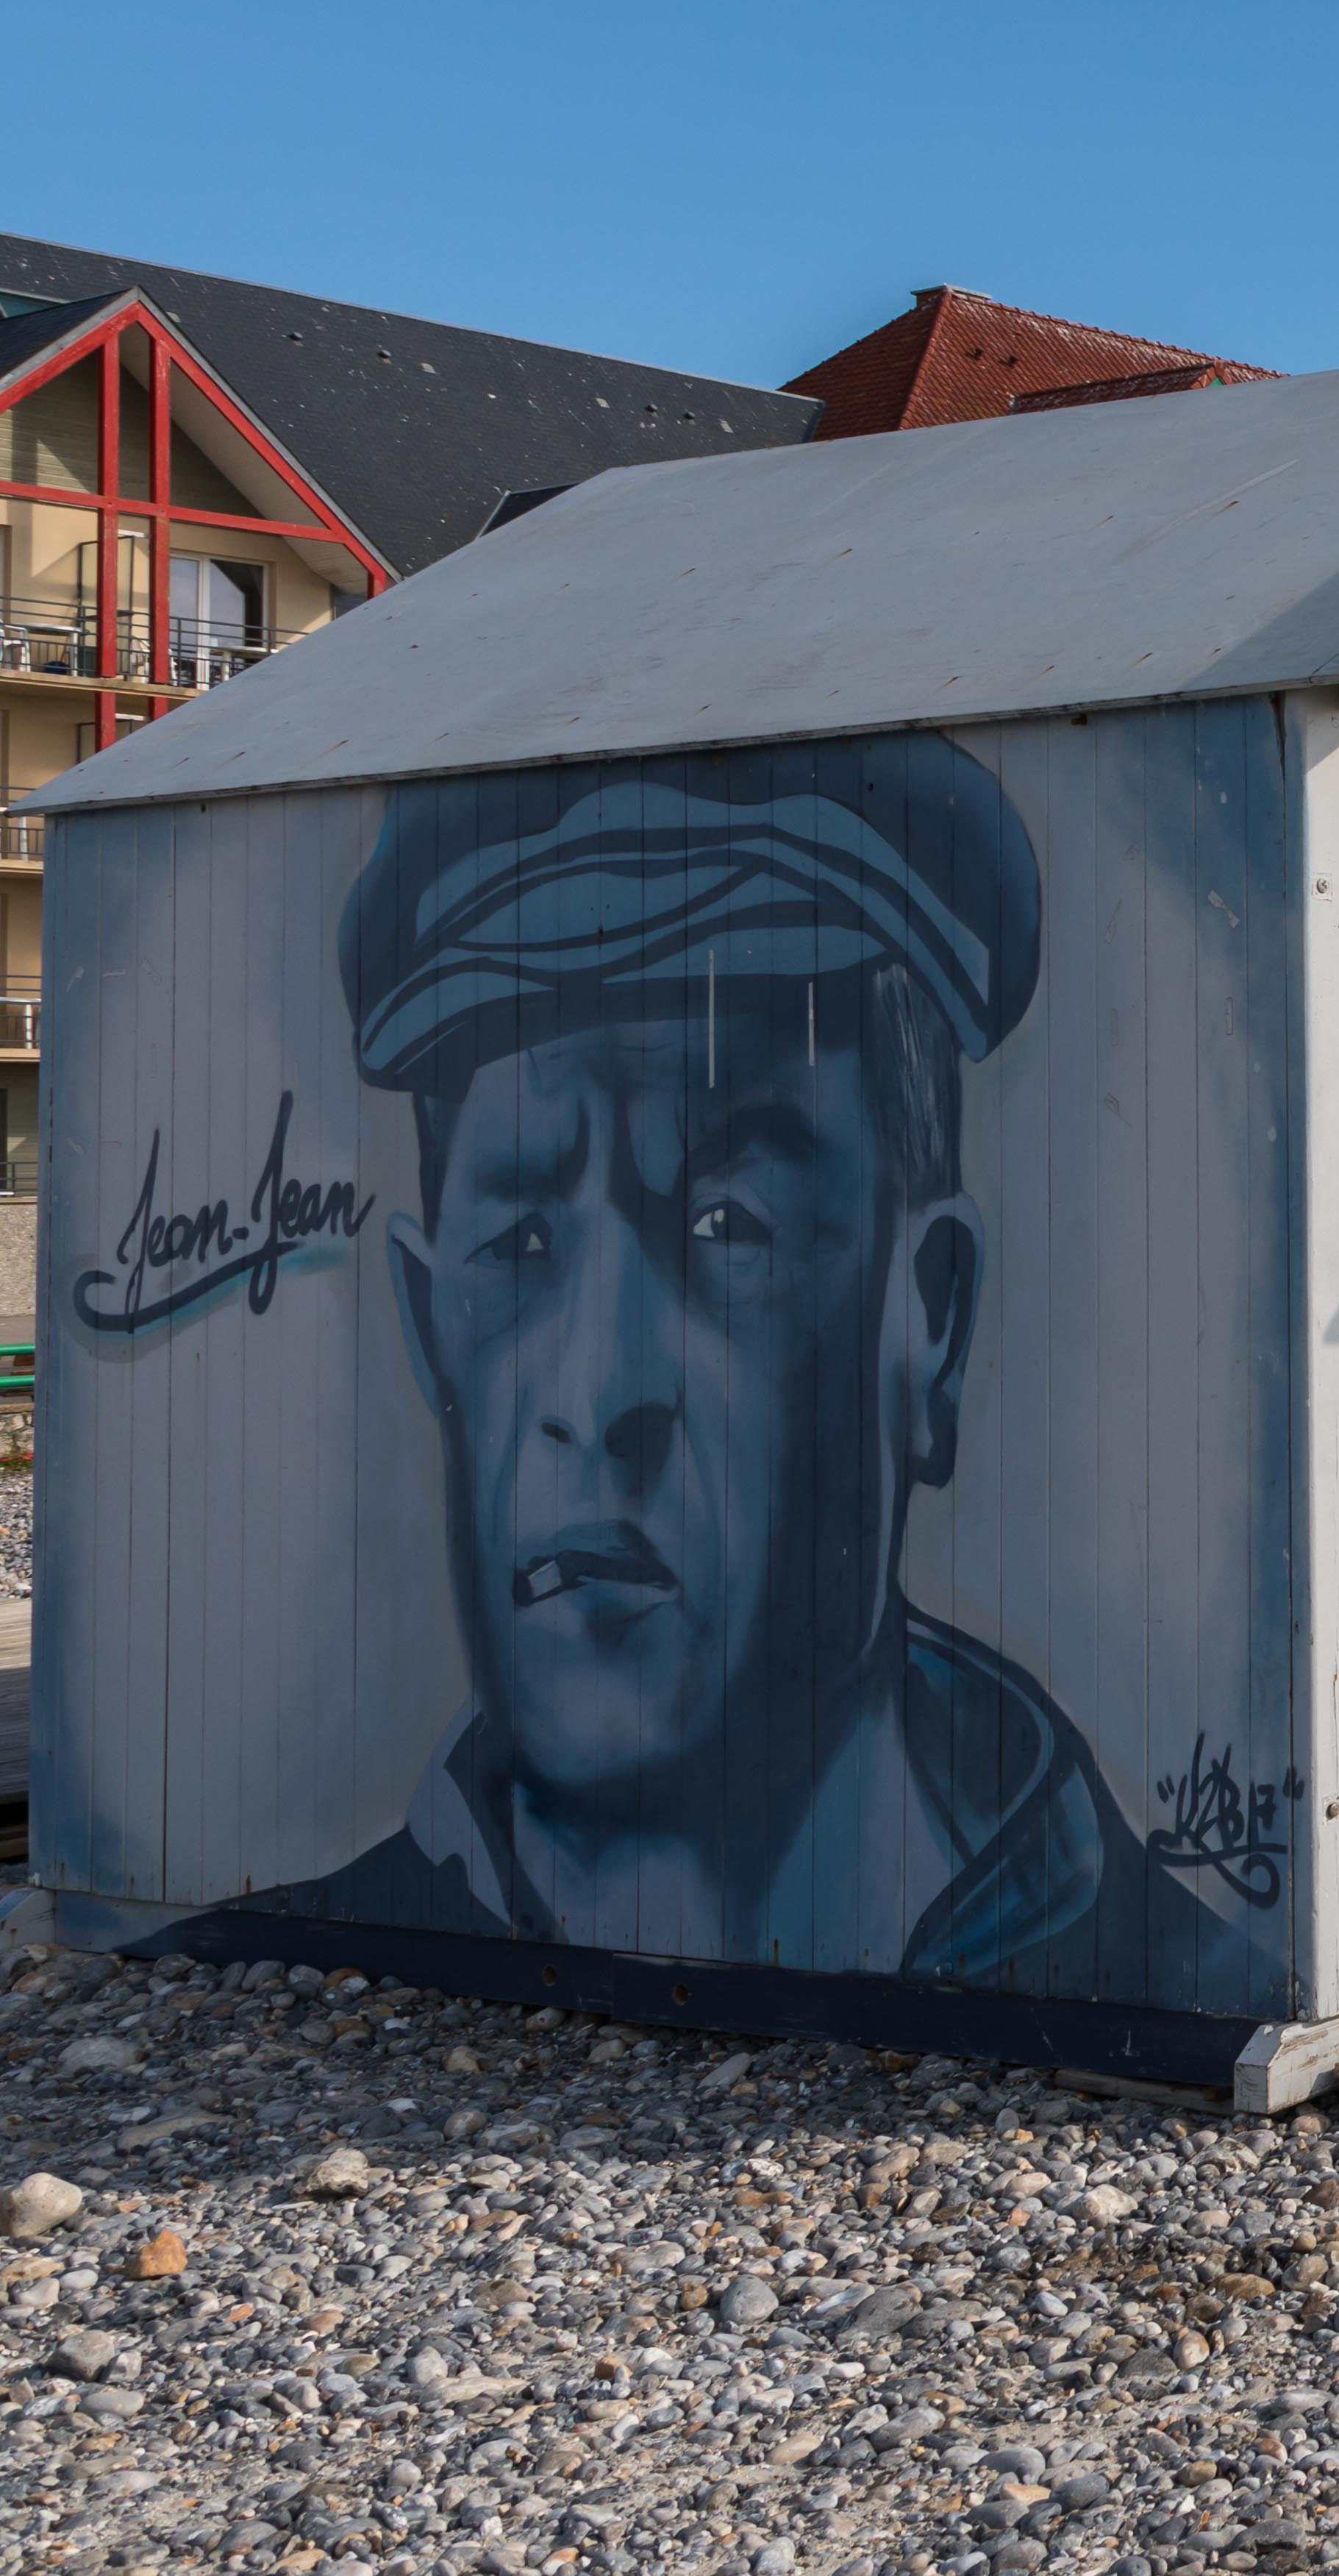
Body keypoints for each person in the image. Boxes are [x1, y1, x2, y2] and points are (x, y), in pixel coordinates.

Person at [262, 736, 1274, 2008]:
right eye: (519, 1242)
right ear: (428, 1329)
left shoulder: (1190, 1975)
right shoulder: (297, 1939)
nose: (597, 1389)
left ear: (931, 1319)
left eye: (725, 1227)